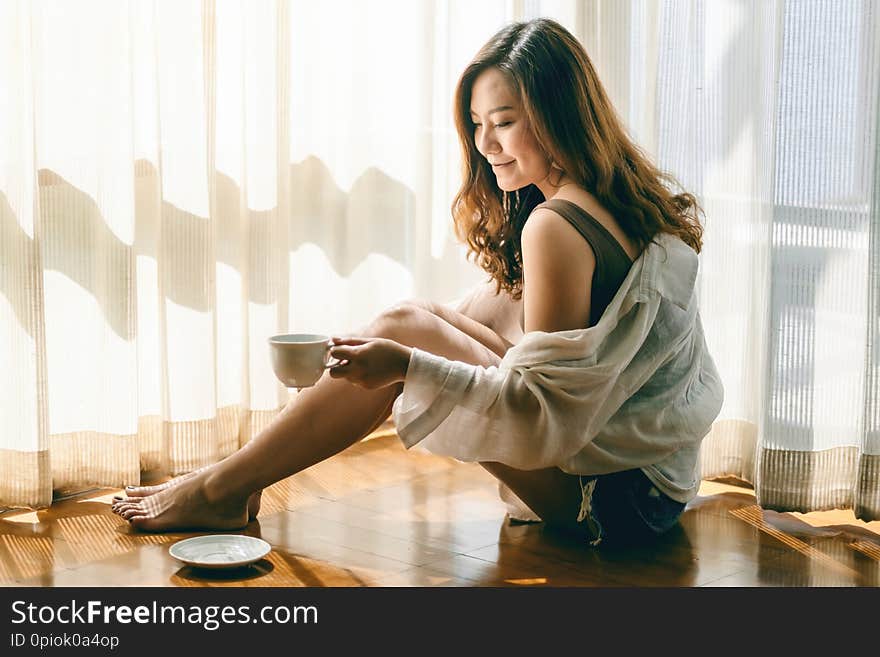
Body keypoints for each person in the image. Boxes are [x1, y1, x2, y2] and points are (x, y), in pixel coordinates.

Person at [112, 17, 723, 547]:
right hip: (651, 490)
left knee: (406, 333)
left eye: (505, 122)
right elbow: (523, 362)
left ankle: (220, 488)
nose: (485, 145)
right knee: (411, 319)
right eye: (478, 123)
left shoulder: (556, 225)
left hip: (613, 508)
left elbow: (539, 421)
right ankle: (231, 482)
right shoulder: (614, 201)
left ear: (557, 115)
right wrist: (399, 348)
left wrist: (406, 363)